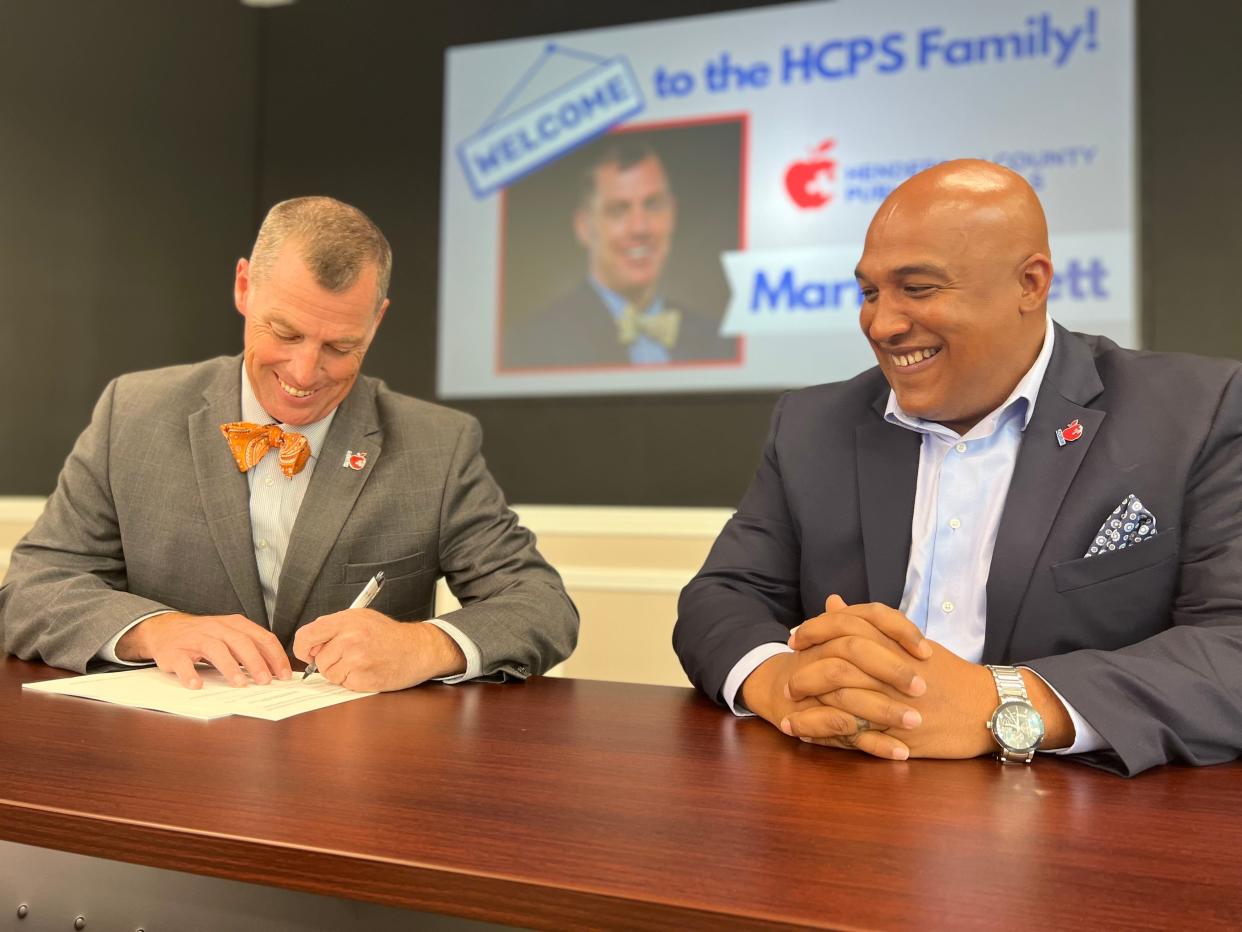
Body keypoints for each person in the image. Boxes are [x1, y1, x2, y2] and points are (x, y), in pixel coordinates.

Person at [674, 160, 1242, 776]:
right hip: (844, 798)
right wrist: (780, 680)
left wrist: (1002, 703)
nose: (882, 324)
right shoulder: (813, 424)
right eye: (869, 293)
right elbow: (722, 596)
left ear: (1030, 283)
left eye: (918, 289)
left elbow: (1230, 645)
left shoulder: (1196, 412)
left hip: (1082, 818)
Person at [1, 196, 578, 691]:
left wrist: (426, 646)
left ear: (377, 321)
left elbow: (542, 605)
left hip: (357, 779)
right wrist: (155, 629)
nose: (305, 372)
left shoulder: (438, 446)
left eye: (341, 346)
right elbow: (32, 590)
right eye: (285, 332)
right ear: (244, 286)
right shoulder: (132, 413)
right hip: (162, 764)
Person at [502, 139, 737, 369]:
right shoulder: (529, 343)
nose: (640, 228)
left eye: (653, 204)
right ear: (584, 227)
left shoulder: (719, 339)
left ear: (673, 214)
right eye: (618, 210)